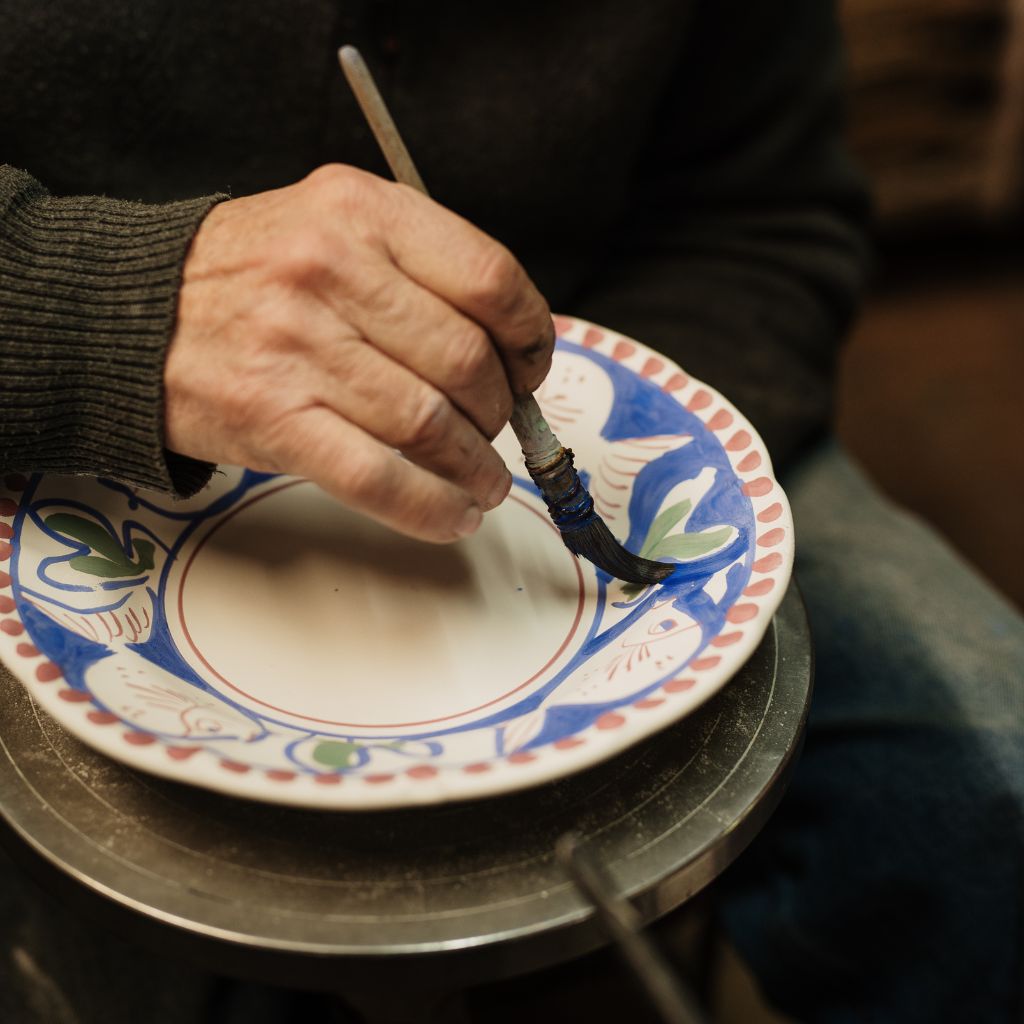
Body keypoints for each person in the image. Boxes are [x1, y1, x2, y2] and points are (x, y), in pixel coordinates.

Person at [0, 2, 1020, 1022]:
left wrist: (606, 421)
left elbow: (762, 217)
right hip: (68, 440)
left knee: (989, 803)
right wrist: (118, 309)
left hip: (600, 396)